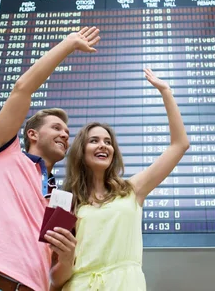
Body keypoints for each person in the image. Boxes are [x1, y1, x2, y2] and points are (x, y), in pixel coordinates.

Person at [0, 27, 101, 291]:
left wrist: (67, 258)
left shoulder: (62, 199)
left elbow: (57, 278)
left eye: (67, 133)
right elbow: (22, 88)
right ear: (32, 133)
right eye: (56, 128)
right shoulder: (4, 154)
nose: (65, 135)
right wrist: (68, 44)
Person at [59, 68, 190, 290]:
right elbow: (57, 269)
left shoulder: (132, 190)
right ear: (81, 150)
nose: (103, 145)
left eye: (108, 142)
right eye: (94, 141)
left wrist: (166, 91)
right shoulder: (67, 201)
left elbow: (180, 145)